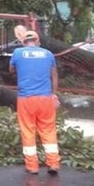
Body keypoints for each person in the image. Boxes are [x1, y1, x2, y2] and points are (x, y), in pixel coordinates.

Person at [9, 30, 60, 175]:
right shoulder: (48, 54)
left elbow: (11, 69)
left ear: (24, 42)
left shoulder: (18, 53)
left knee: (28, 130)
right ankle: (53, 163)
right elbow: (54, 76)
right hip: (45, 99)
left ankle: (32, 166)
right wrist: (53, 95)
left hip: (26, 99)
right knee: (48, 130)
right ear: (38, 41)